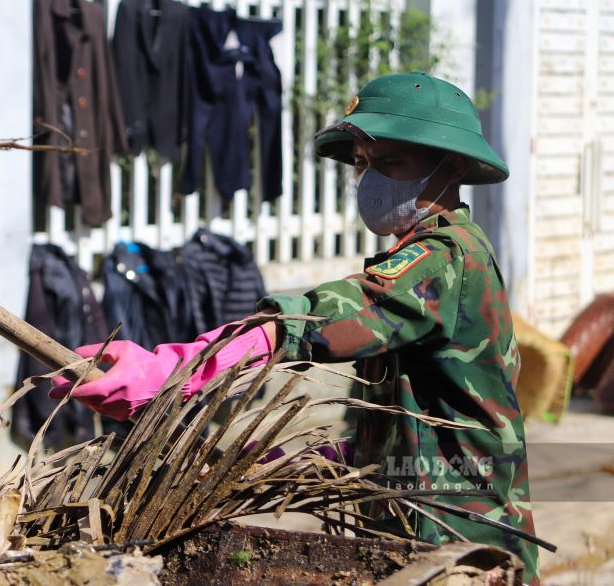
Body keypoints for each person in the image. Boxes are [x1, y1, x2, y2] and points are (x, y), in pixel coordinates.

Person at [51, 72, 540, 584]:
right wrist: (326, 457)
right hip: (414, 517)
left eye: (390, 163)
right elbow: (413, 402)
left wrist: (181, 370)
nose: (371, 180)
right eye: (362, 164)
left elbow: (331, 314)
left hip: (466, 536)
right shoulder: (426, 253)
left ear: (452, 165)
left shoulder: (444, 257)